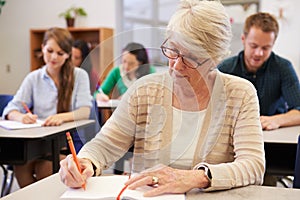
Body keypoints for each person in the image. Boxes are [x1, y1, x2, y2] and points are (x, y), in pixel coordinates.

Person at [59, 0, 265, 196]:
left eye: (191, 58)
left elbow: (253, 165)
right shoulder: (145, 90)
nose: (175, 65)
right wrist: (85, 162)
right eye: (172, 51)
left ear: (215, 59)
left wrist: (196, 178)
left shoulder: (240, 94)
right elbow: (104, 146)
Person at [2, 27, 92, 188]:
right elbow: (11, 109)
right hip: (38, 144)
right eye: (49, 50)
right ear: (42, 47)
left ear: (67, 54)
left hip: (67, 142)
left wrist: (60, 117)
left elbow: (84, 111)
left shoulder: (79, 75)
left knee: (46, 168)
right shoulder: (34, 78)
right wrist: (21, 117)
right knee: (20, 165)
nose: (53, 57)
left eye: (60, 53)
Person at [218, 12, 300, 131]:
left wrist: (276, 120)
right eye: (254, 46)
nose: (258, 53)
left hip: (273, 135)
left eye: (265, 48)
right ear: (243, 39)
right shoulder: (225, 69)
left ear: (273, 44)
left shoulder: (283, 67)